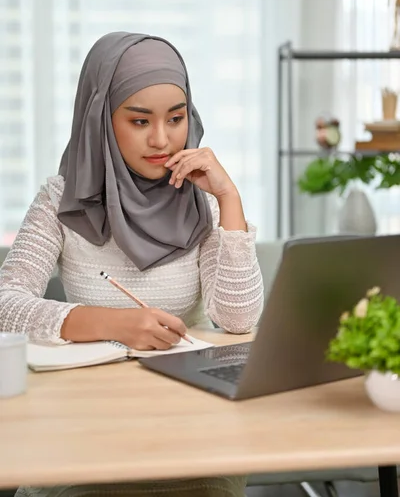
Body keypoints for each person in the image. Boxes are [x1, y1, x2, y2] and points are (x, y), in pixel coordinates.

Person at [0, 32, 264, 497]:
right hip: (82, 428)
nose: (162, 139)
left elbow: (238, 318)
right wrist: (115, 324)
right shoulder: (60, 201)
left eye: (176, 118)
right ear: (101, 118)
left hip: (192, 427)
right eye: (140, 120)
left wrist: (228, 199)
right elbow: (6, 305)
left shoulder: (198, 200)